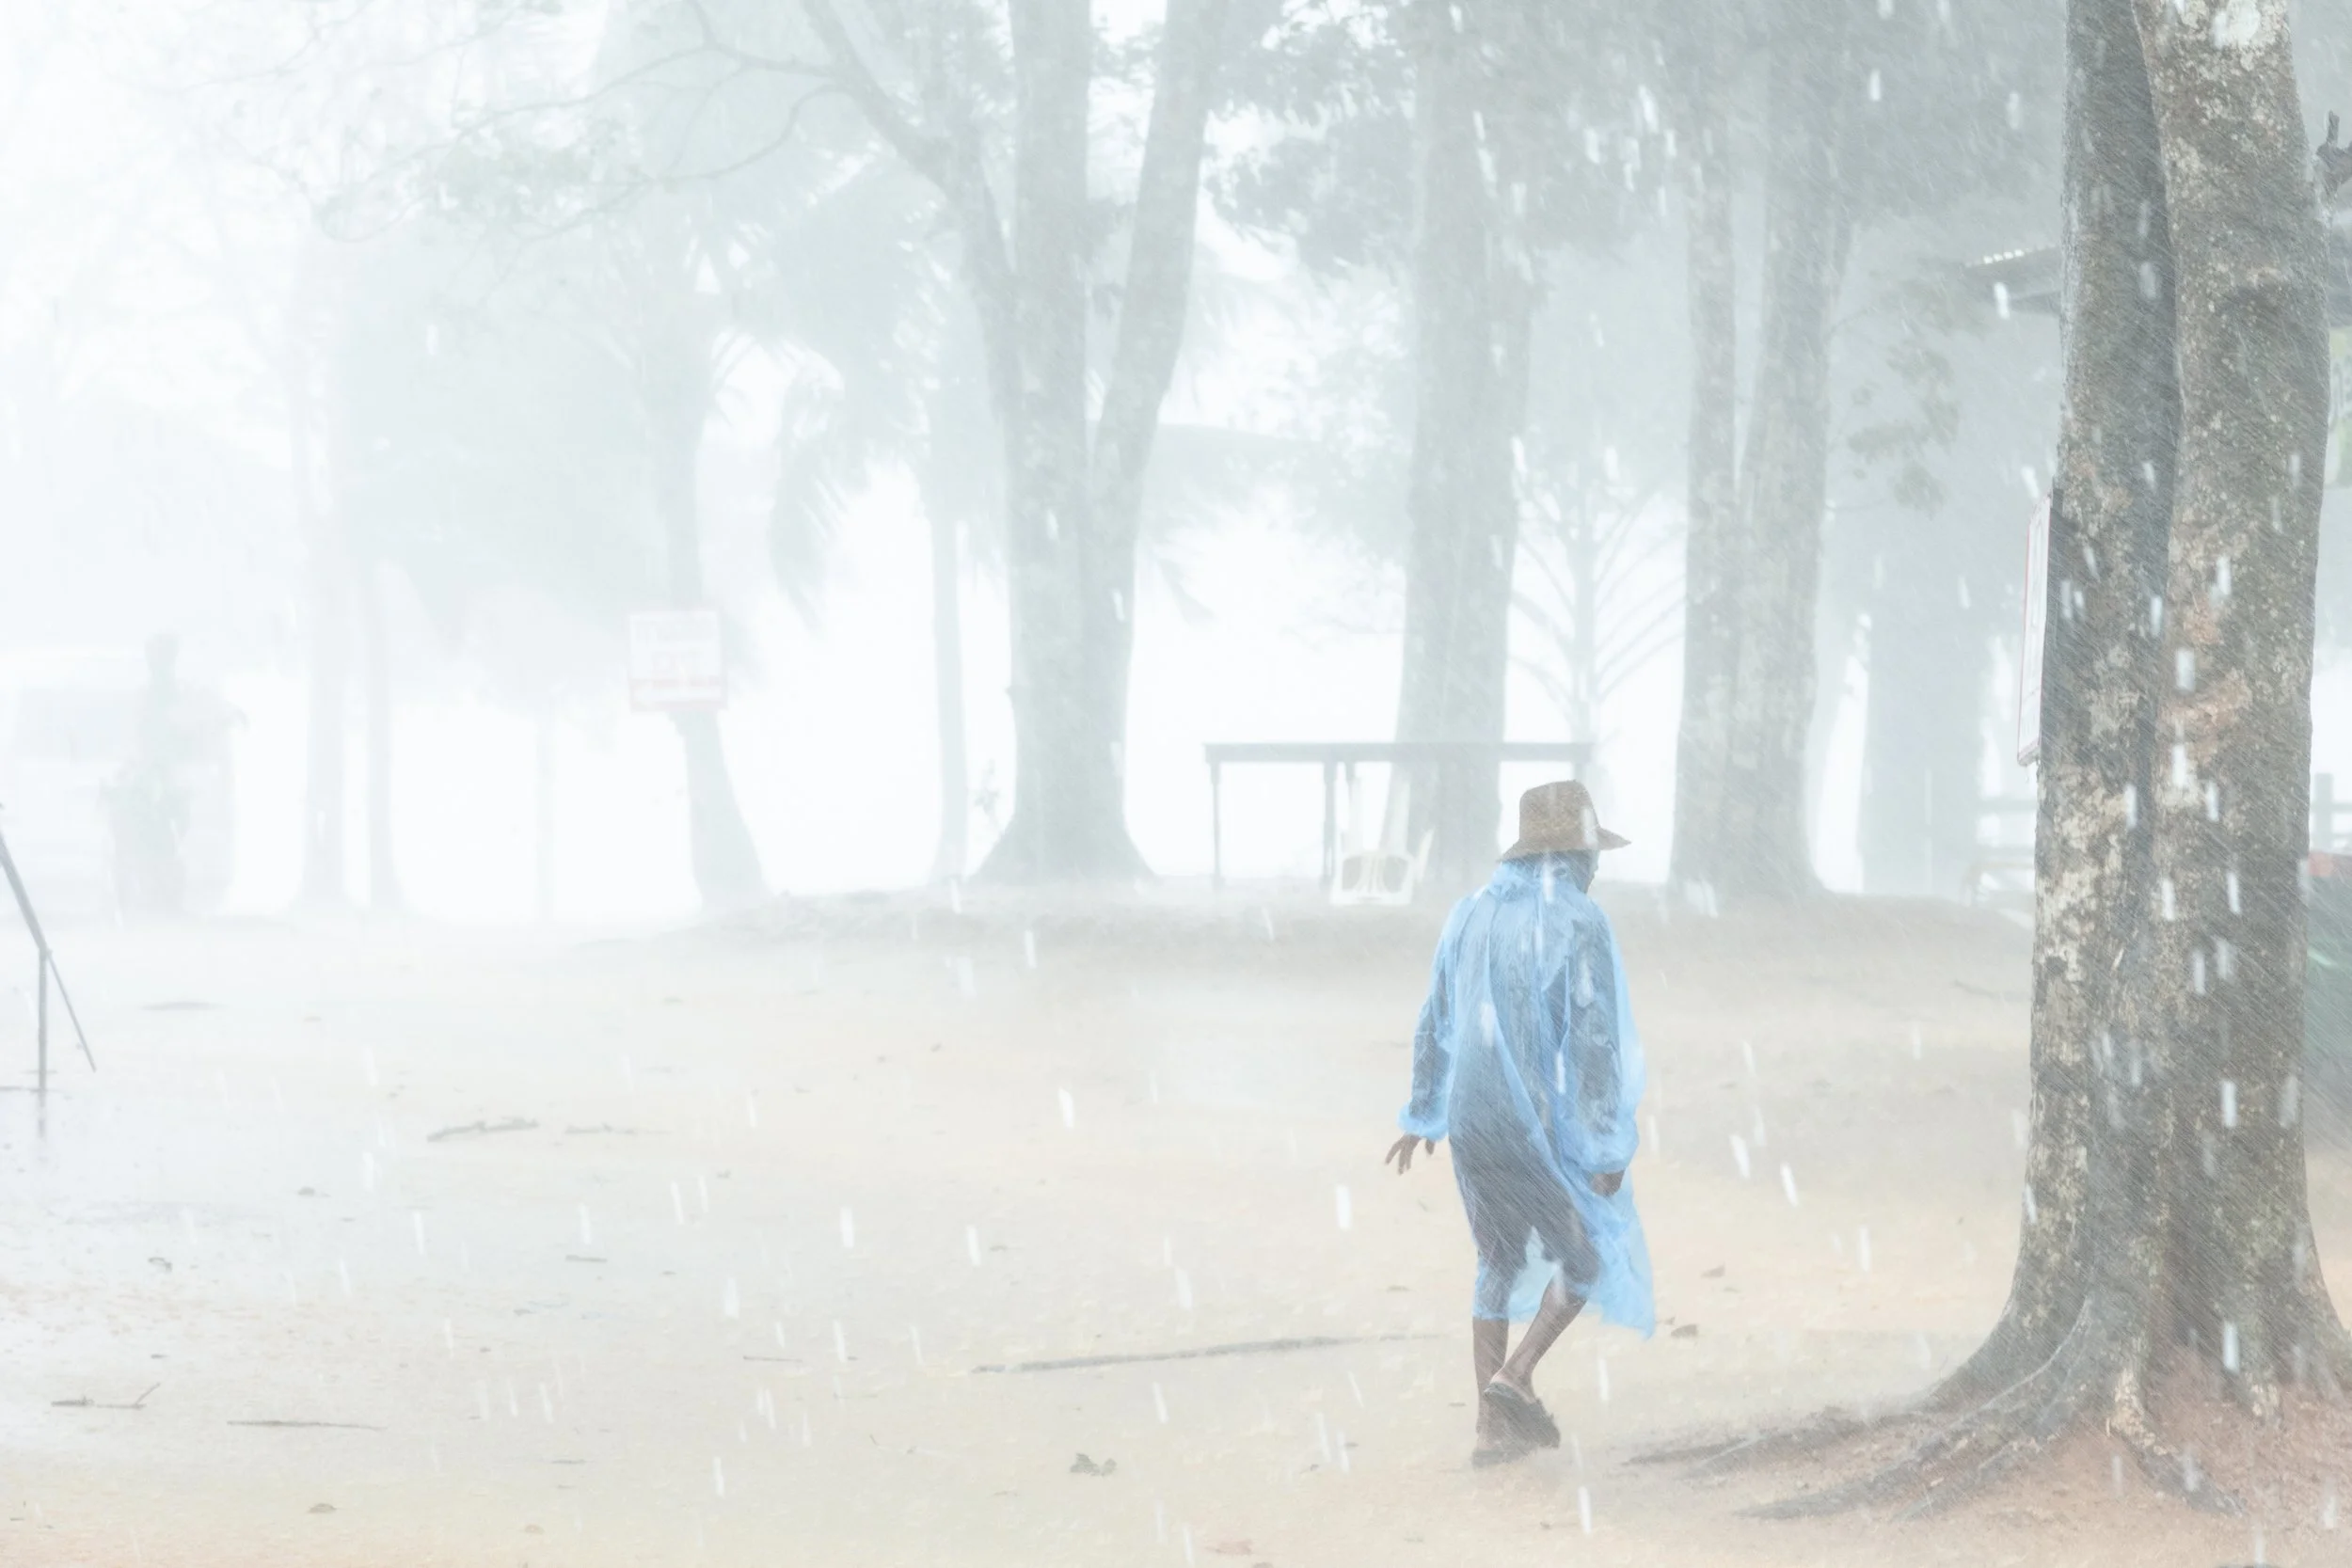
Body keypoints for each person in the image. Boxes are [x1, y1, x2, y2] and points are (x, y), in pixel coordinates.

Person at [1385, 779, 1654, 1465]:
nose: (1596, 867)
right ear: (1574, 855)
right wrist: (1603, 1141)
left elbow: (1434, 1017)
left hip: (1469, 1117)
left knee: (1496, 1260)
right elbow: (1595, 1041)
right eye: (1591, 854)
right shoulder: (1578, 919)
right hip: (1526, 1114)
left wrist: (1424, 1111)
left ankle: (1489, 1432)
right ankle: (1513, 1378)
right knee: (1586, 1253)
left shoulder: (1469, 912)